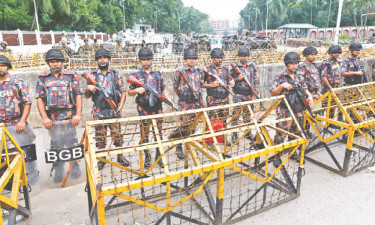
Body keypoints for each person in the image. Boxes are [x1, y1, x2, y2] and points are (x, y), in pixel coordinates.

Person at [35, 49, 83, 183]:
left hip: (69, 117)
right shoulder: (42, 77)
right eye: (52, 62)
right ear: (48, 63)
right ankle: (59, 169)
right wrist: (44, 118)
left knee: (71, 143)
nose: (55, 64)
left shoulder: (71, 75)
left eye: (57, 61)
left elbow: (78, 95)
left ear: (62, 62)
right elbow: (39, 98)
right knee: (55, 145)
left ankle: (74, 168)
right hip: (53, 120)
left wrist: (77, 114)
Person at [128, 48, 173, 168]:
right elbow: (129, 92)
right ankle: (147, 157)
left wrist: (168, 100)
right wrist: (137, 90)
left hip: (157, 107)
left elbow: (163, 88)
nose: (146, 62)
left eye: (148, 59)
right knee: (145, 134)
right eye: (143, 60)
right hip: (143, 109)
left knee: (158, 133)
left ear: (151, 59)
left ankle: (159, 156)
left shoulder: (158, 73)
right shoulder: (136, 76)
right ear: (140, 61)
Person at [84, 48, 128, 170]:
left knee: (118, 137)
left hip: (114, 110)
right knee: (100, 138)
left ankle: (120, 156)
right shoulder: (92, 75)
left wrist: (120, 106)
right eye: (99, 58)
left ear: (108, 59)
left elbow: (123, 91)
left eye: (104, 57)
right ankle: (102, 159)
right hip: (99, 112)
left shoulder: (115, 73)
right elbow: (87, 96)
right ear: (97, 60)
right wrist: (89, 89)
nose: (102, 60)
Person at [0, 55, 37, 184]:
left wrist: (22, 121)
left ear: (7, 67)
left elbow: (27, 102)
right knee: (4, 157)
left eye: (3, 65)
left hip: (17, 124)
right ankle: (10, 184)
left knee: (26, 155)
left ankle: (31, 182)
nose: (0, 68)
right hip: (1, 127)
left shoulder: (17, 82)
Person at [270, 52, 313, 159]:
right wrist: (282, 86)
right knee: (282, 134)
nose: (294, 65)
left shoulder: (299, 75)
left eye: (296, 63)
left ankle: (292, 153)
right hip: (284, 109)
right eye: (292, 63)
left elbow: (304, 88)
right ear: (286, 64)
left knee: (296, 132)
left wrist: (310, 96)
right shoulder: (279, 77)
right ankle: (277, 156)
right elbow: (272, 92)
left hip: (298, 108)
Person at [173, 48, 204, 159]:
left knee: (193, 125)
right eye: (189, 58)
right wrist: (182, 96)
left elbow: (201, 84)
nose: (191, 60)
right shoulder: (180, 72)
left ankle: (189, 144)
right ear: (185, 60)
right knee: (184, 125)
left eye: (193, 58)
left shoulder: (199, 71)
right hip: (185, 103)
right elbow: (175, 87)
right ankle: (178, 145)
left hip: (196, 102)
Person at [230, 47, 259, 144]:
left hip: (249, 95)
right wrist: (238, 78)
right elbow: (230, 81)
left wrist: (255, 93)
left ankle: (247, 132)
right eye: (241, 56)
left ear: (248, 57)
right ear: (239, 57)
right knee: (236, 116)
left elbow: (256, 80)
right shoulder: (234, 68)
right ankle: (234, 135)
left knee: (248, 115)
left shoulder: (252, 67)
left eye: (245, 56)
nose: (243, 58)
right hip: (238, 94)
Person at [202, 48, 234, 122]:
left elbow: (230, 80)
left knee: (223, 122)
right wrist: (211, 85)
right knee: (212, 123)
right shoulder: (207, 69)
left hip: (225, 100)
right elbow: (200, 84)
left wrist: (232, 82)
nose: (220, 59)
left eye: (221, 58)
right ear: (212, 58)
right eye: (217, 58)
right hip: (213, 101)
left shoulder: (226, 69)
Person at [320, 45, 343, 125]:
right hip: (327, 88)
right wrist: (330, 88)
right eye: (334, 52)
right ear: (330, 53)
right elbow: (323, 76)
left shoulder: (338, 62)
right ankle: (321, 123)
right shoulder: (326, 63)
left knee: (333, 105)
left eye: (338, 52)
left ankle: (330, 123)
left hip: (335, 87)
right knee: (325, 106)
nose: (336, 54)